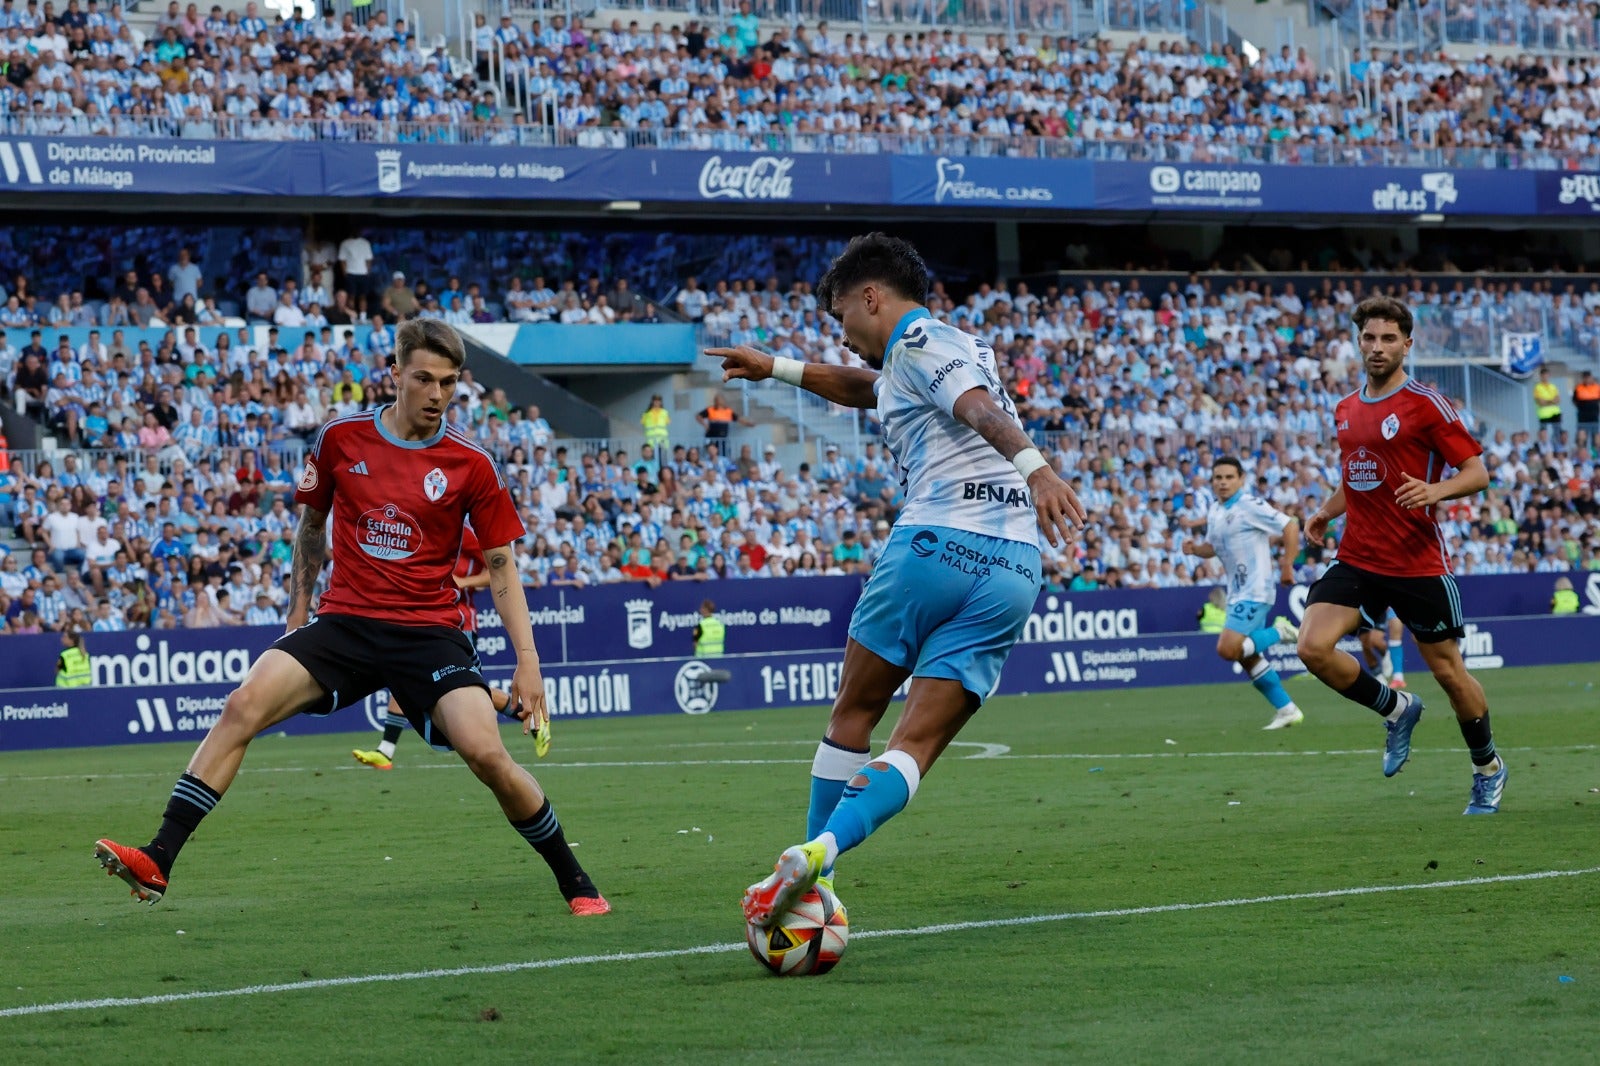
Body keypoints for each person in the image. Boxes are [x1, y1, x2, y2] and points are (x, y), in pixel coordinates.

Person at [94, 320, 611, 916]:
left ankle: (575, 881)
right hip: (346, 622)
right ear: (395, 375)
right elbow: (311, 529)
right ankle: (159, 857)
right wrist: (296, 612)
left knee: (487, 756)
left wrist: (529, 664)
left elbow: (501, 565)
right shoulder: (339, 439)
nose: (437, 394)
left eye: (448, 383)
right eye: (424, 378)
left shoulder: (473, 463)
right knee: (242, 705)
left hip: (430, 633)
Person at [706, 233, 1085, 928]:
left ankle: (811, 879)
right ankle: (821, 852)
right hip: (1013, 567)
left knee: (853, 712)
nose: (842, 335)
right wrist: (778, 368)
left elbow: (979, 411)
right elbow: (870, 390)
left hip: (935, 544)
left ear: (871, 296)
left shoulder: (918, 344)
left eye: (842, 317)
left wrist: (1040, 469)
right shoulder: (949, 349)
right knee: (914, 746)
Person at [1297, 296, 1506, 815]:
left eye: (1388, 339)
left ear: (1407, 345)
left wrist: (1437, 492)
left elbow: (1477, 473)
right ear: (1358, 341)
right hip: (1358, 557)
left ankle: (1488, 769)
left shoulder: (1426, 404)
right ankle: (1395, 708)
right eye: (1369, 337)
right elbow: (1359, 474)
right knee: (1312, 647)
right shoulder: (1346, 408)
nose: (1377, 347)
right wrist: (1326, 512)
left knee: (1450, 673)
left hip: (1417, 563)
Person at [351, 523, 538, 770]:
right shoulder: (422, 529)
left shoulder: (464, 533)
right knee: (407, 679)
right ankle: (386, 751)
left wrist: (462, 581)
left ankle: (532, 717)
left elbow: (497, 570)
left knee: (469, 690)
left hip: (460, 624)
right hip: (428, 623)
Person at [1181, 456, 1304, 730]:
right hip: (1237, 592)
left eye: (1228, 477)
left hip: (1256, 589)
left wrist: (1287, 565)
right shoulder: (1215, 510)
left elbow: (1290, 525)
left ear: (1241, 480)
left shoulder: (1250, 505)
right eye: (1218, 478)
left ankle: (1280, 631)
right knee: (1247, 657)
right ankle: (1287, 709)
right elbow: (1211, 547)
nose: (1223, 483)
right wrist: (1194, 550)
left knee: (1227, 649)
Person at [1359, 609, 1407, 688]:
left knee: (1376, 640)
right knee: (1365, 644)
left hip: (1380, 608)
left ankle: (1397, 676)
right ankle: (1378, 675)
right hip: (1360, 609)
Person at [1573, 370, 1600, 438]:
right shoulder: (1578, 388)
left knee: (1595, 437)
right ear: (1583, 378)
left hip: (1594, 417)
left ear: (1591, 377)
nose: (1587, 379)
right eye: (1585, 377)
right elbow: (1574, 400)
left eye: (1588, 377)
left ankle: (1594, 449)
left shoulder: (1597, 387)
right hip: (1582, 418)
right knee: (1582, 437)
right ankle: (1583, 449)